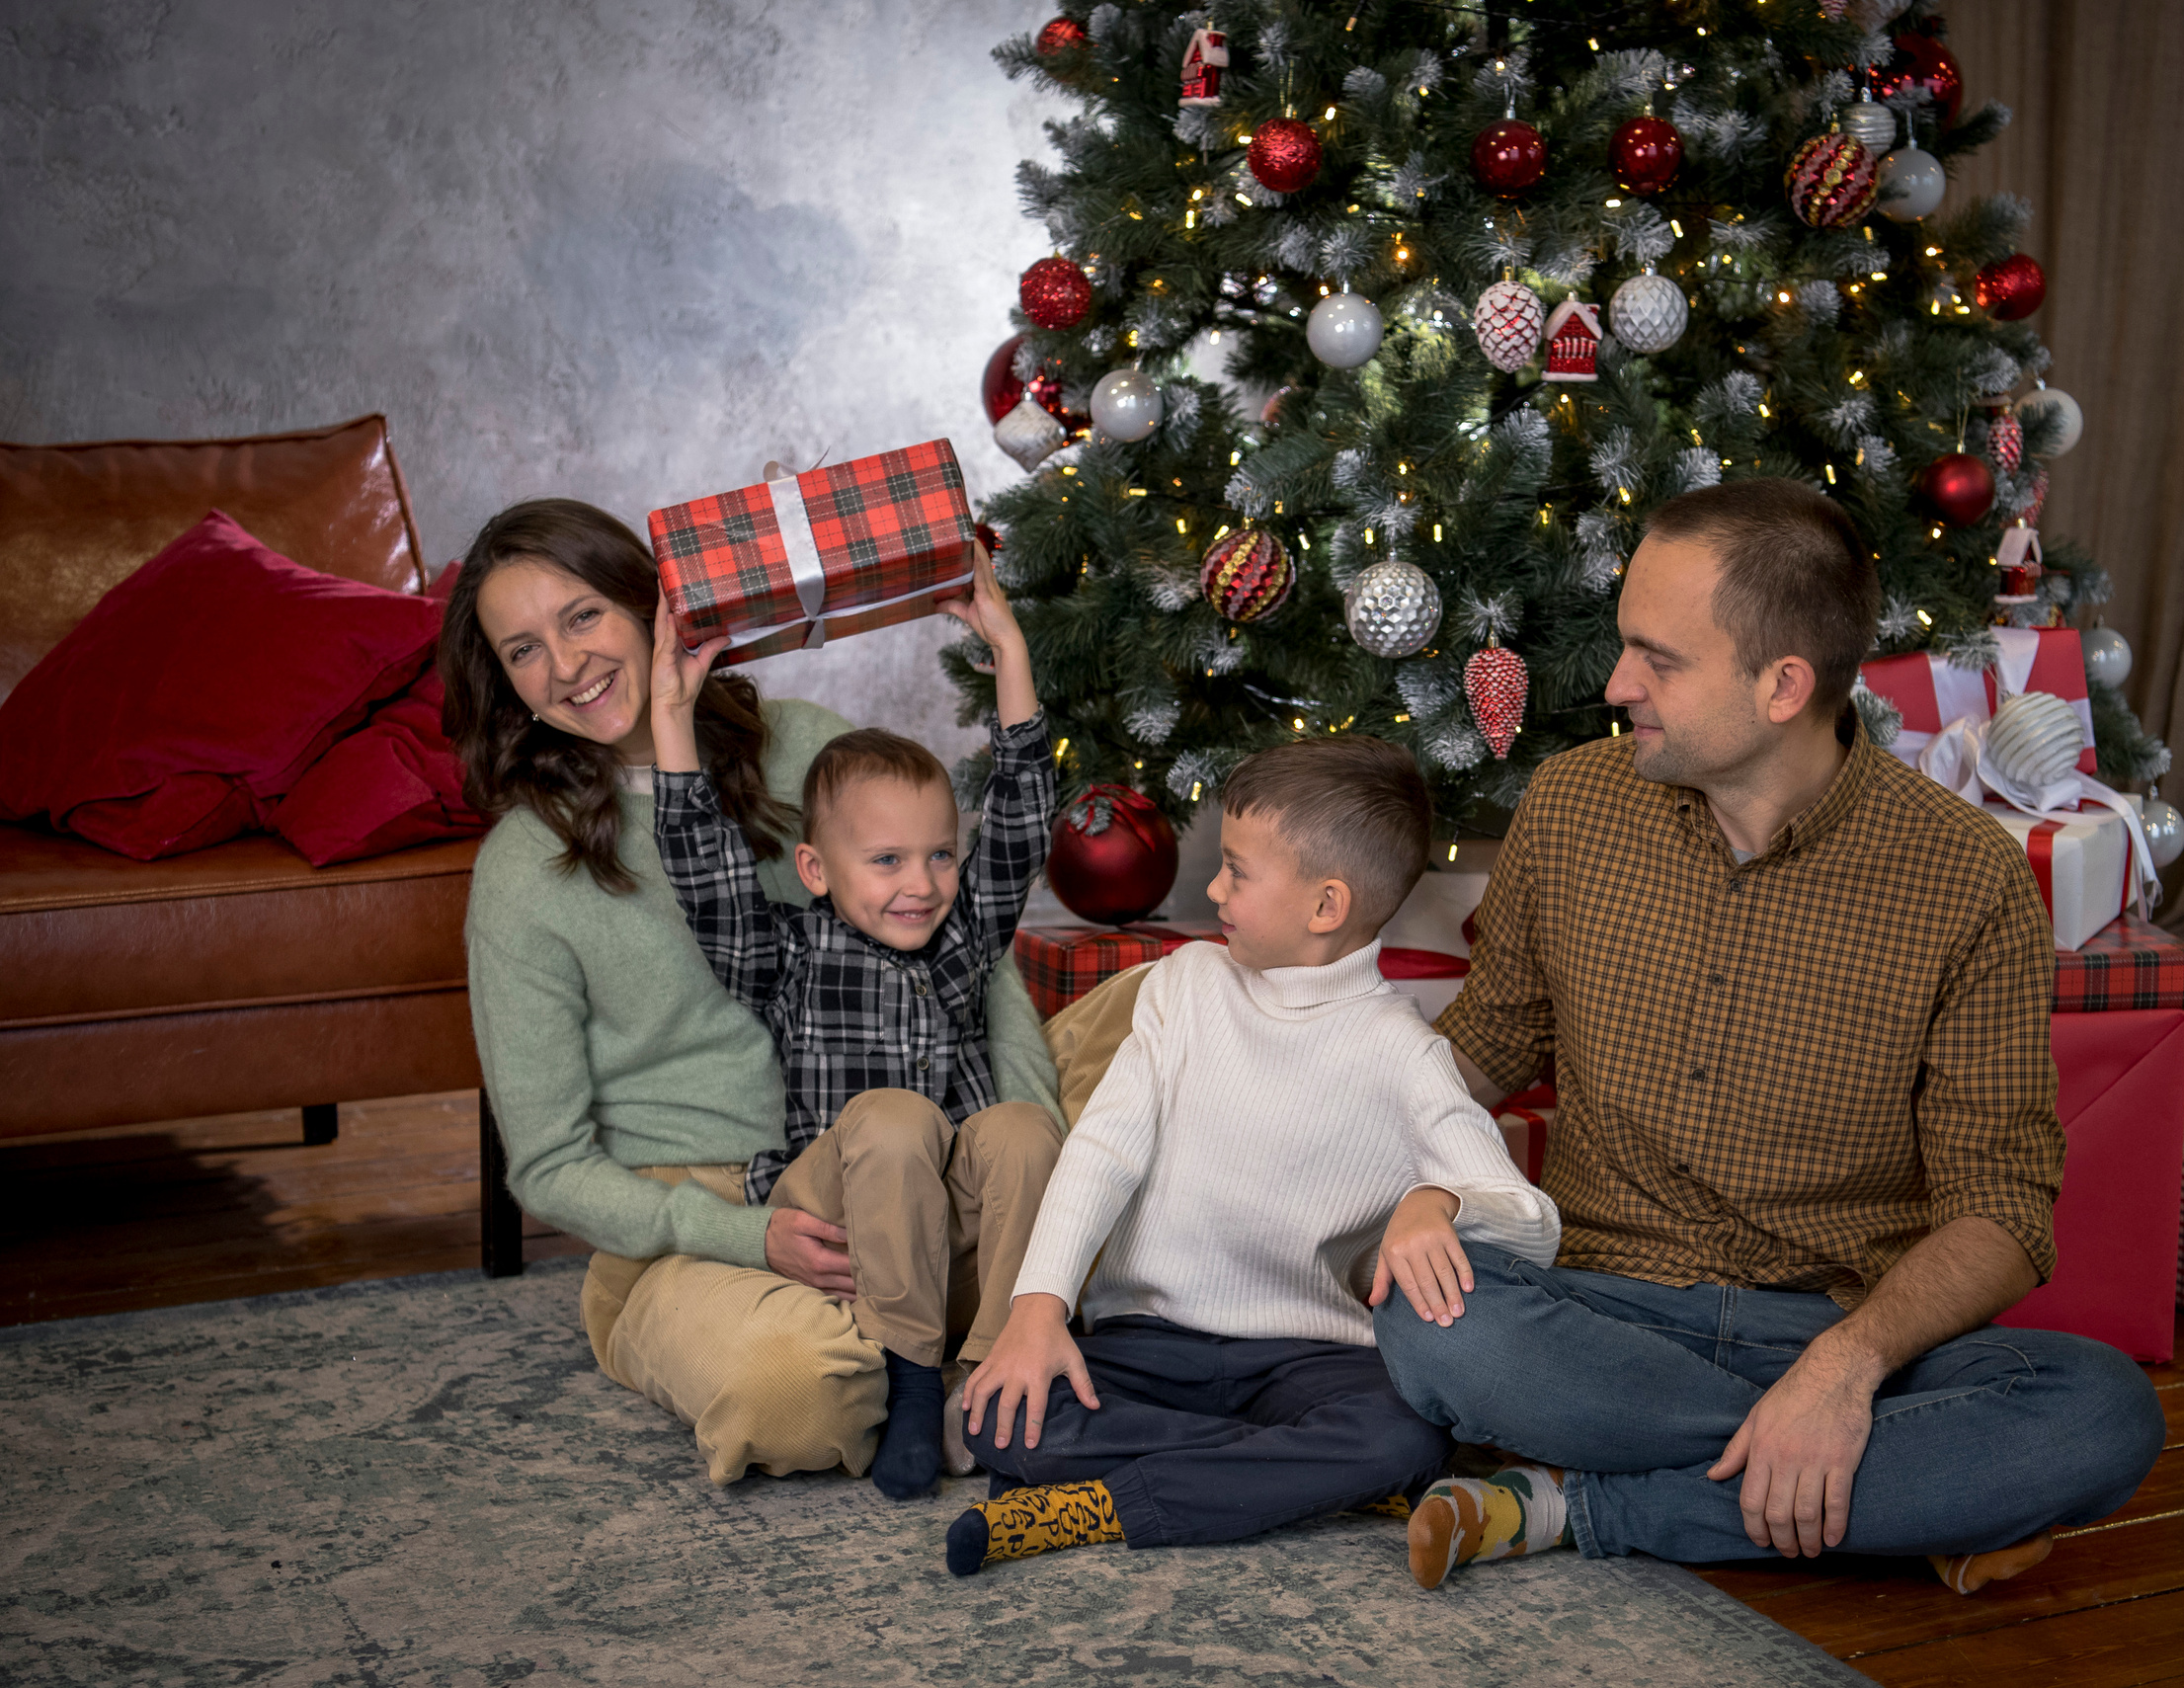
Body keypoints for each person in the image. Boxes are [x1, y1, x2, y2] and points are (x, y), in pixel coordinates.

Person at [1377, 479, 2166, 1595]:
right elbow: (1481, 1048)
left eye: (1659, 659)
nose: (1616, 686)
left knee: (2101, 1411)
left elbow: (2002, 1210)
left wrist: (1842, 1369)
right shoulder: (1571, 805)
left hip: (1852, 1321)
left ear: (1783, 683)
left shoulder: (1965, 876)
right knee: (1433, 1317)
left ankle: (1580, 1500)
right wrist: (1416, 1182)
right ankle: (1871, 1491)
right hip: (1602, 1307)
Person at [444, 497, 1059, 1487]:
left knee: (1154, 1031)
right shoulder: (523, 871)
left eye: (582, 616)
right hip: (699, 1222)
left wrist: (1042, 1139)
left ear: (651, 604)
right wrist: (742, 1233)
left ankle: (988, 1333)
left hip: (918, 1156)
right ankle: (927, 1359)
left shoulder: (806, 745)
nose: (562, 665)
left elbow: (971, 948)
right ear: (503, 682)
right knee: (797, 1391)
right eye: (522, 649)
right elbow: (550, 1165)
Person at [945, 737, 1561, 1576]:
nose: (1212, 889)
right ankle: (1294, 1472)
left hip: (1310, 1359)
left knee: (1404, 1429)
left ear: (1325, 905)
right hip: (1151, 1338)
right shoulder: (1184, 986)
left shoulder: (1405, 1055)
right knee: (998, 1412)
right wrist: (1037, 1307)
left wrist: (1444, 1203)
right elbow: (1101, 1151)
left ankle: (1103, 1505)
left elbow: (1531, 1220)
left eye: (1236, 871)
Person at [648, 542, 1062, 1499]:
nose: (921, 884)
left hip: (939, 1212)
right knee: (892, 1115)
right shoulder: (784, 952)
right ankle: (910, 1381)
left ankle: (988, 1378)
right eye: (885, 860)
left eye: (937, 856)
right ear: (816, 870)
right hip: (838, 1199)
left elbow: (1018, 825)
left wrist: (1010, 658)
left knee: (1021, 1127)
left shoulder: (958, 944)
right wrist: (671, 715)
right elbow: (703, 869)